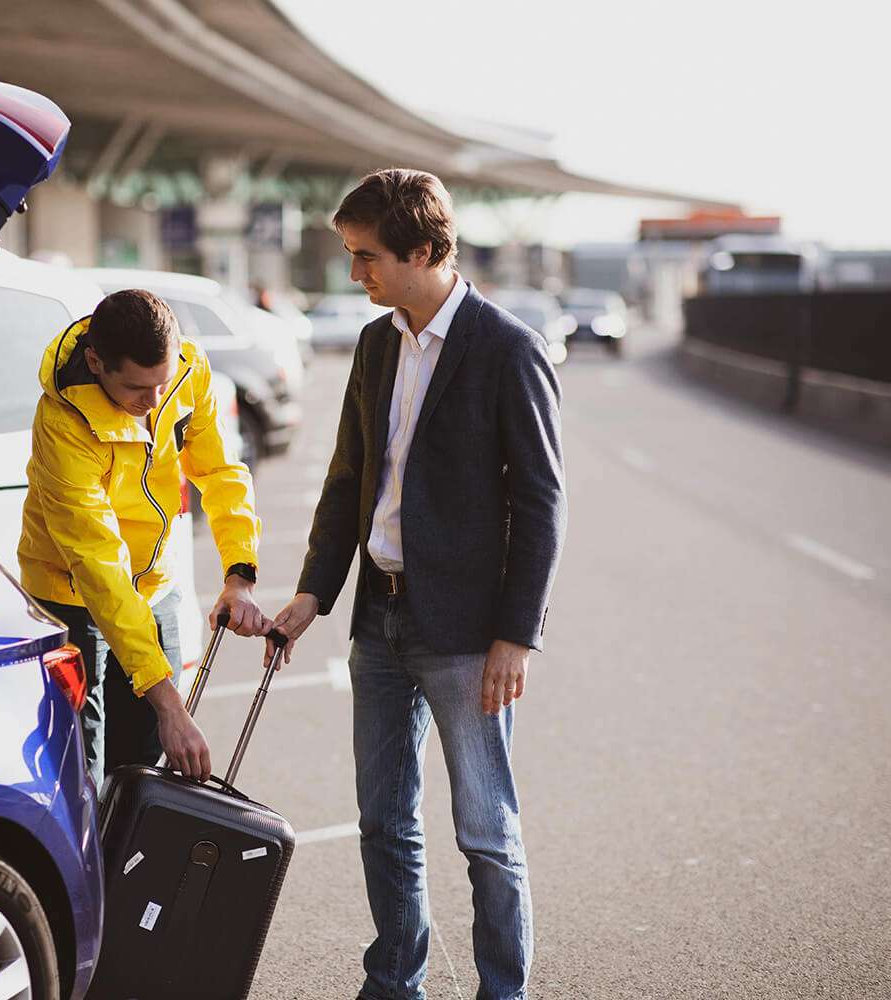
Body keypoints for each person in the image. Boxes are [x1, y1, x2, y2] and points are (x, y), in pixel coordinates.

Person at [268, 169, 566, 1000]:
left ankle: (502, 992)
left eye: (367, 258)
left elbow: (543, 503)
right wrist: (312, 594)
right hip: (380, 624)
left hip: (470, 635)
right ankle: (395, 983)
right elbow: (347, 479)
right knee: (383, 824)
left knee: (485, 833)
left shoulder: (508, 349)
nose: (356, 274)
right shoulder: (375, 343)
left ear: (426, 251)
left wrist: (518, 633)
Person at [19, 288, 267, 788]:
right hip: (71, 596)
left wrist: (239, 574)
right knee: (81, 778)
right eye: (136, 389)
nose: (153, 402)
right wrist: (170, 704)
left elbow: (219, 472)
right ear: (95, 361)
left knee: (144, 773)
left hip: (153, 585)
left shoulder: (187, 370)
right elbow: (98, 563)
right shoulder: (61, 424)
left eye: (163, 383)